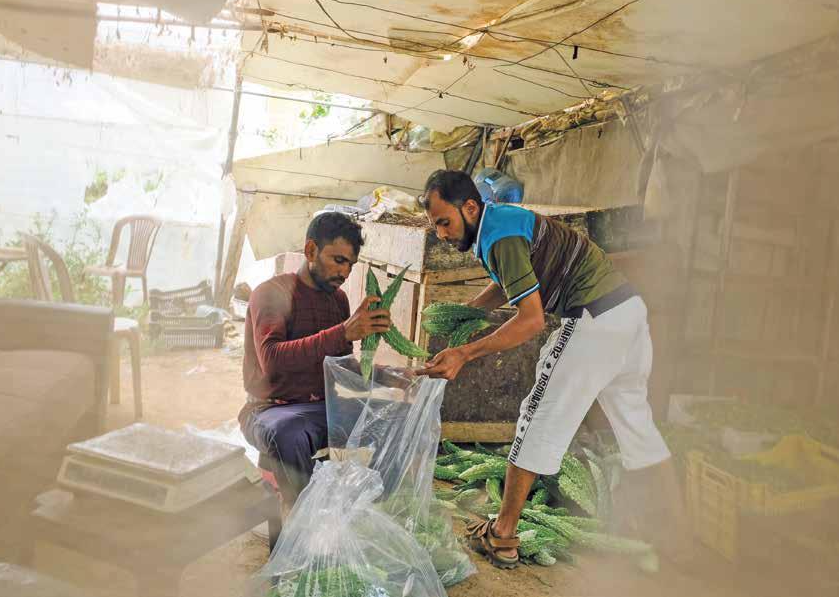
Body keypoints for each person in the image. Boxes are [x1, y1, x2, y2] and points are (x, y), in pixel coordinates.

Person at [416, 169, 691, 569]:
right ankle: (680, 537)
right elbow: (512, 279)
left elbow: (530, 320)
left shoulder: (499, 237)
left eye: (444, 222)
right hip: (628, 313)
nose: (441, 233)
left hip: (592, 319)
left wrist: (464, 353)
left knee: (536, 417)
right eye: (435, 225)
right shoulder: (499, 221)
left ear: (470, 207)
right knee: (639, 427)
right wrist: (467, 314)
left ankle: (503, 537)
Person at [239, 212, 391, 523]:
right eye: (338, 260)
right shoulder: (273, 294)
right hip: (272, 409)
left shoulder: (338, 300)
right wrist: (342, 332)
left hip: (323, 406)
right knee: (291, 432)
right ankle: (302, 523)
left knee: (390, 416)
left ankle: (370, 518)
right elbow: (272, 358)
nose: (345, 272)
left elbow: (340, 369)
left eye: (350, 263)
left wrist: (393, 377)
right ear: (311, 251)